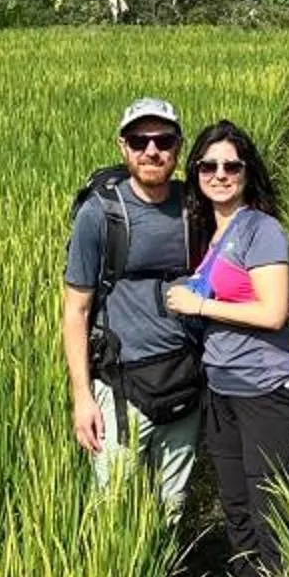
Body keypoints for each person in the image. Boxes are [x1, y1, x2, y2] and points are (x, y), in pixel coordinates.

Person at [164, 119, 289, 577]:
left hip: (265, 389)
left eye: (231, 165)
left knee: (271, 510)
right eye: (209, 165)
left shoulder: (260, 230)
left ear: (248, 173)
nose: (220, 174)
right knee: (237, 506)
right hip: (221, 387)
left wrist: (199, 304)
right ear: (196, 171)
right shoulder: (212, 232)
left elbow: (273, 313)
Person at [63, 96, 203, 519]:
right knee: (113, 511)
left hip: (184, 378)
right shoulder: (100, 214)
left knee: (172, 507)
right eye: (139, 141)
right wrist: (82, 397)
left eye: (163, 141)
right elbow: (76, 310)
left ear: (178, 147)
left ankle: (164, 565)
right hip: (121, 385)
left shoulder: (195, 207)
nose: (151, 151)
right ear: (122, 147)